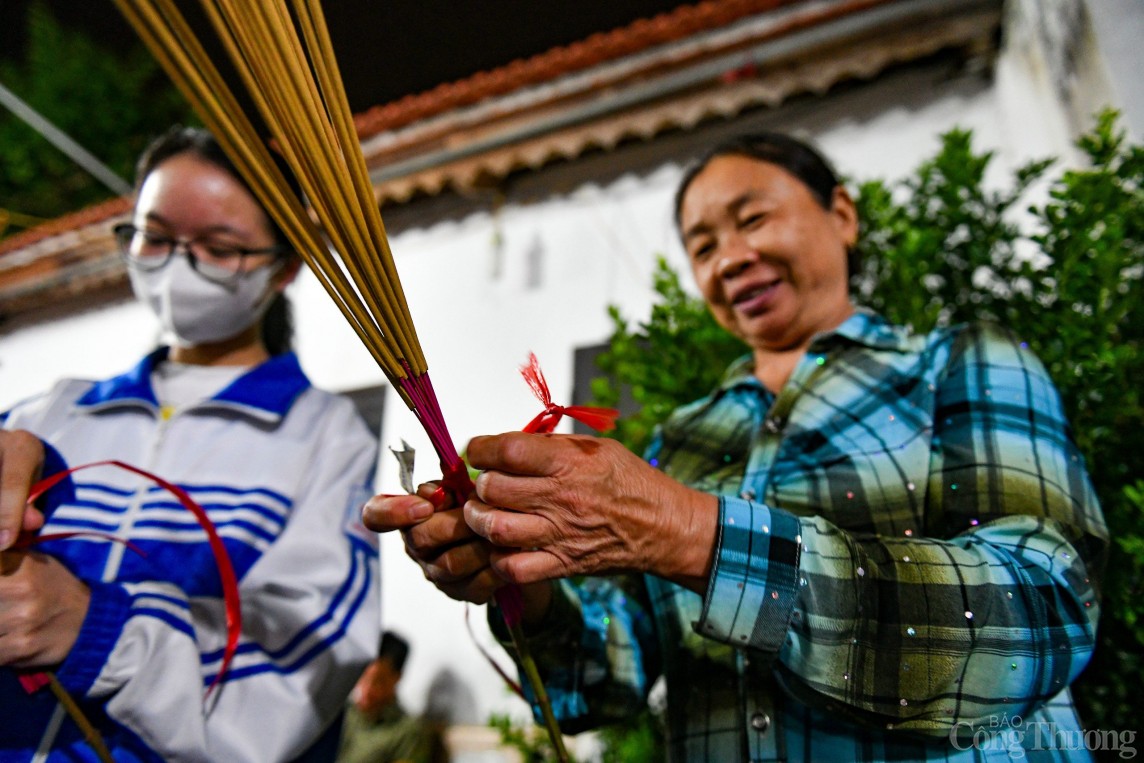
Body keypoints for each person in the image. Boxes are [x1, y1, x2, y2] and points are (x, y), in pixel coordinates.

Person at [363, 132, 1109, 761]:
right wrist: (523, 580)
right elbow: (602, 680)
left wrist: (691, 532)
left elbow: (1044, 610)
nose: (729, 259)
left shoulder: (955, 365)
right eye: (703, 246)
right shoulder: (682, 438)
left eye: (752, 220)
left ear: (841, 214)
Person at [0, 125, 380, 761]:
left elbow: (304, 665)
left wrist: (96, 629)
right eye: (156, 235)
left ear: (283, 267)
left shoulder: (322, 434)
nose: (179, 265)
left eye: (218, 246)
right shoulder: (50, 414)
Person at [337, 631, 447, 763]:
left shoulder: (406, 732)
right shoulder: (342, 714)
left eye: (378, 681)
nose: (366, 689)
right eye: (362, 677)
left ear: (397, 677)